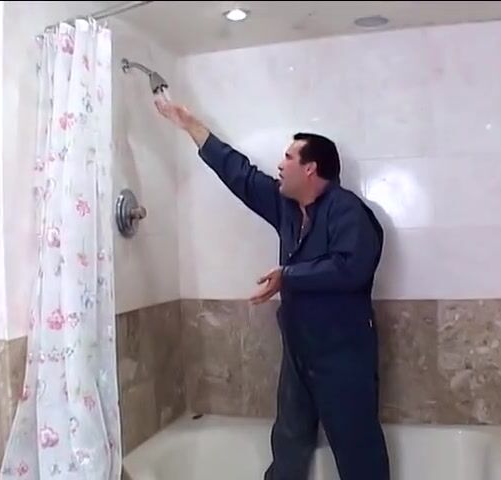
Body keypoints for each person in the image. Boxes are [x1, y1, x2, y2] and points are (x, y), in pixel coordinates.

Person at [154, 99, 390, 480]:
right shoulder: (286, 207)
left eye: (288, 157)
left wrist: (289, 275)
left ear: (310, 168)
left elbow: (352, 267)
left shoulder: (348, 211)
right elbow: (241, 175)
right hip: (299, 352)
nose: (280, 165)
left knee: (357, 449)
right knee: (289, 443)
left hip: (343, 358)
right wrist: (191, 126)